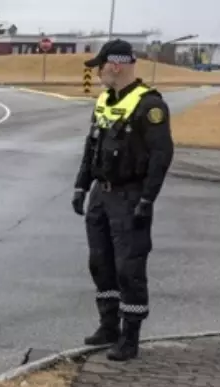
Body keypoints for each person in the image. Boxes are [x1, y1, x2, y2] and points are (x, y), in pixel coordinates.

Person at [71, 39, 174, 361]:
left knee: (129, 267)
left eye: (100, 66)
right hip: (102, 195)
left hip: (130, 196)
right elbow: (92, 147)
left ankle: (130, 336)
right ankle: (108, 325)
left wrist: (148, 199)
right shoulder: (104, 100)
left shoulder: (149, 105)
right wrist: (81, 186)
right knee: (100, 263)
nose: (98, 72)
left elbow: (161, 155)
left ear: (115, 65)